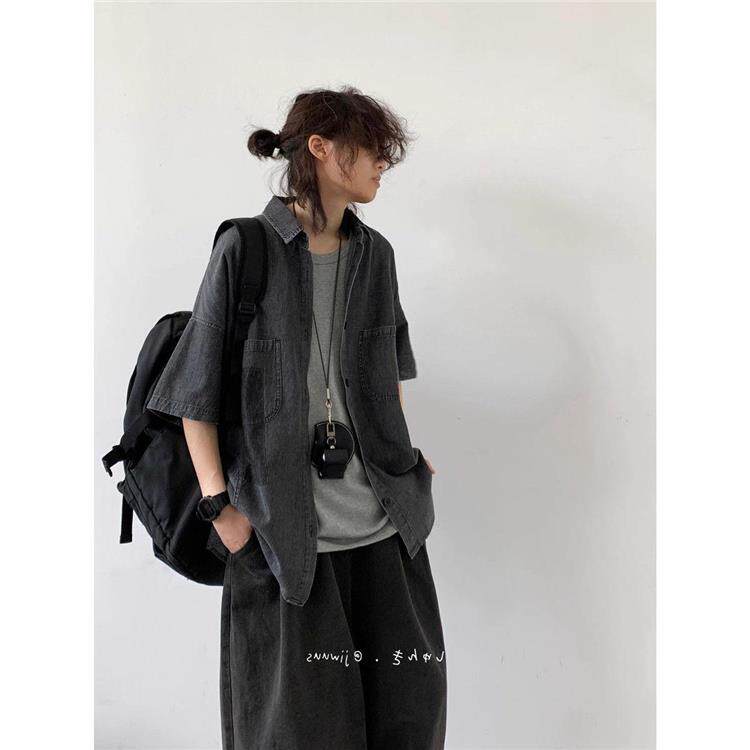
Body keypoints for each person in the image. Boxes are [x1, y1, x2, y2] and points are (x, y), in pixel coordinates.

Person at [147, 86, 447, 749]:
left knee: (408, 722)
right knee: (299, 735)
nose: (383, 164)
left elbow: (388, 378)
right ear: (321, 148)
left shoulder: (375, 256)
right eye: (371, 149)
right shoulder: (246, 249)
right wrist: (220, 510)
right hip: (285, 550)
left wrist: (407, 463)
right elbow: (194, 395)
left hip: (386, 538)